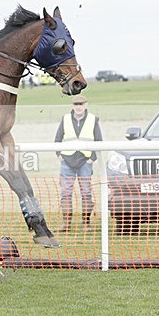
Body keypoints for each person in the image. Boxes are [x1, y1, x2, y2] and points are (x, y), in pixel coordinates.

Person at [54, 95, 103, 232]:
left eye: (81, 104)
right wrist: (60, 156)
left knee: (86, 193)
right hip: (67, 162)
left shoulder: (93, 119)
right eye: (76, 104)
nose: (78, 106)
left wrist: (92, 159)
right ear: (72, 106)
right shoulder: (65, 119)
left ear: (86, 105)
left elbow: (99, 141)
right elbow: (57, 139)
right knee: (66, 193)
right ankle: (66, 224)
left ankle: (86, 224)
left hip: (85, 161)